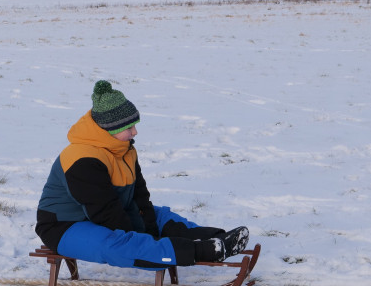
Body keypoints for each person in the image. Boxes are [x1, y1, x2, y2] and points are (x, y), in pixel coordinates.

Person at [36, 80, 249, 269]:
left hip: (115, 209)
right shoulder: (82, 158)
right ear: (110, 128)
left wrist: (148, 224)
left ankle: (217, 239)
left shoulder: (125, 148)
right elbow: (105, 212)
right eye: (129, 127)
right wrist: (143, 237)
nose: (135, 132)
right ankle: (202, 252)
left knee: (159, 216)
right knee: (117, 245)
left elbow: (139, 195)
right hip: (65, 226)